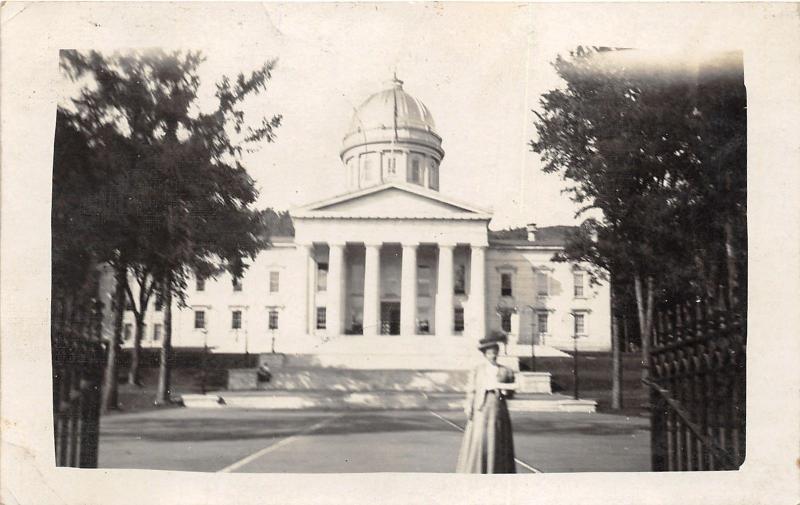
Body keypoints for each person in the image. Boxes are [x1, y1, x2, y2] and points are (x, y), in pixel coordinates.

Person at [456, 330, 517, 473]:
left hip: (497, 408)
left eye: (495, 352)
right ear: (485, 354)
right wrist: (468, 406)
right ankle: (476, 469)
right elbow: (471, 389)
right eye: (490, 353)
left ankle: (497, 470)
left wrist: (504, 391)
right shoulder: (477, 370)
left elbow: (511, 394)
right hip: (480, 408)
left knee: (497, 438)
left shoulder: (506, 371)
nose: (493, 355)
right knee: (479, 438)